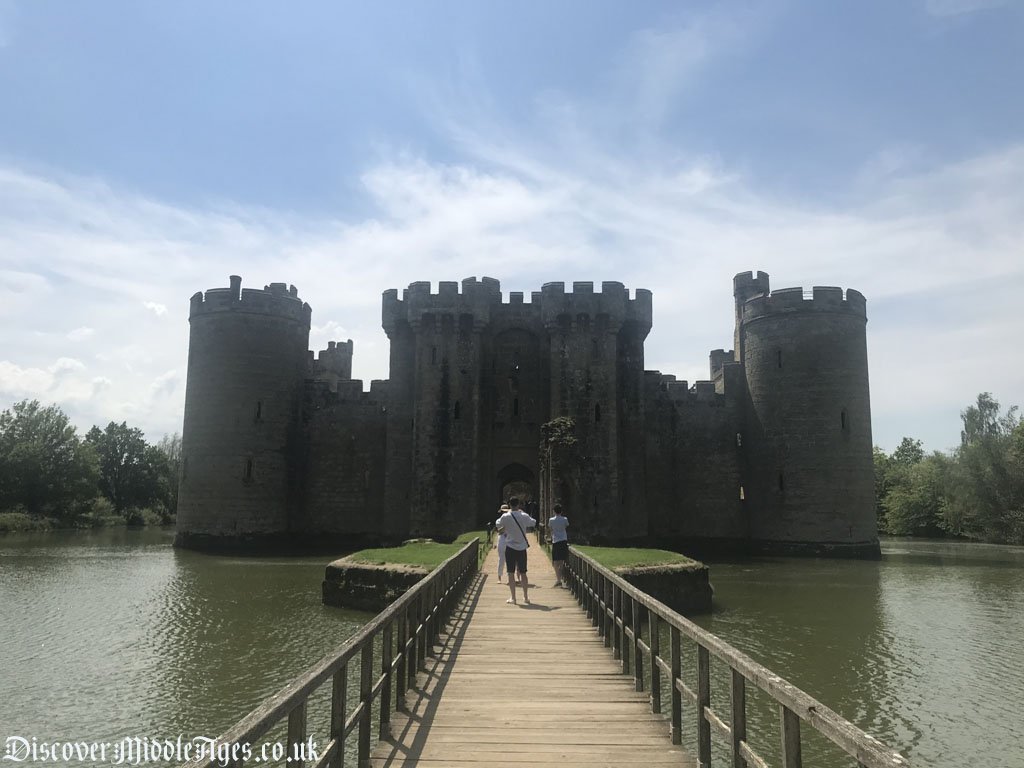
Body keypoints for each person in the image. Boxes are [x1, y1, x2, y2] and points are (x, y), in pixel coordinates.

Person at [496, 496, 536, 605]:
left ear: (509, 505)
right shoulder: (523, 515)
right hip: (522, 548)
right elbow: (533, 522)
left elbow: (497, 524)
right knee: (523, 573)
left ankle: (513, 598)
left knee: (510, 573)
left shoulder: (506, 516)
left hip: (510, 547)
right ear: (518, 505)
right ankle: (526, 597)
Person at [548, 503, 569, 587]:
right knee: (562, 561)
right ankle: (561, 577)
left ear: (554, 511)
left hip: (555, 541)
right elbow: (566, 526)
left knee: (555, 562)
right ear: (561, 511)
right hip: (563, 541)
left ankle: (558, 579)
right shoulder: (565, 519)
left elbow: (550, 528)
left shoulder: (551, 520)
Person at [495, 503, 510, 583]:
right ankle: (499, 577)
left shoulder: (511, 520)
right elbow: (499, 530)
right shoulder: (498, 520)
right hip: (502, 540)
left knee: (510, 560)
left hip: (510, 540)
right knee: (501, 559)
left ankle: (509, 578)